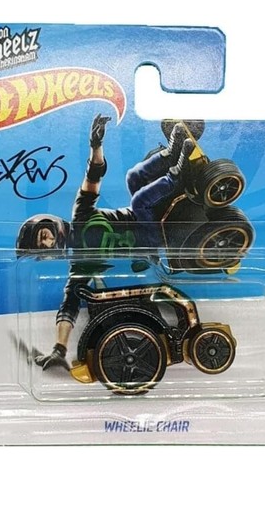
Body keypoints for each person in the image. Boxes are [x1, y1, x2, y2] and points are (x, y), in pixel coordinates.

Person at [17, 115, 200, 370]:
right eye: (43, 244)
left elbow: (94, 174)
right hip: (149, 242)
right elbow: (69, 306)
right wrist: (59, 349)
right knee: (140, 200)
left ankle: (171, 155)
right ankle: (175, 175)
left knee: (132, 177)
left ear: (49, 223)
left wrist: (95, 144)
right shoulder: (81, 265)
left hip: (142, 218)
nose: (48, 240)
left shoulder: (81, 212)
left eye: (43, 234)